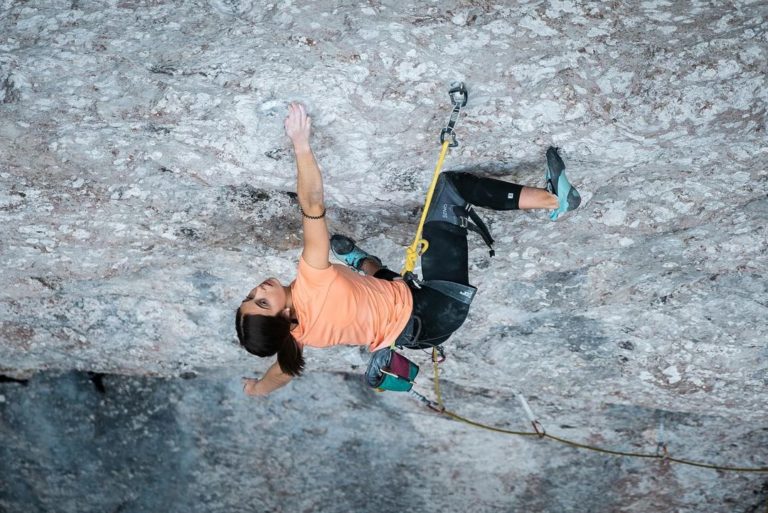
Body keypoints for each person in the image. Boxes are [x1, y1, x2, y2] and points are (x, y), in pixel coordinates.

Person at [235, 102, 580, 397]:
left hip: (414, 334)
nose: (260, 290)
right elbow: (311, 202)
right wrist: (300, 143)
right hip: (435, 307)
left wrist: (258, 389)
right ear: (282, 316)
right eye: (263, 302)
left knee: (378, 283)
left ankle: (362, 262)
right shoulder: (311, 280)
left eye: (250, 296)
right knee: (450, 191)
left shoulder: (297, 336)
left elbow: (281, 371)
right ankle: (554, 199)